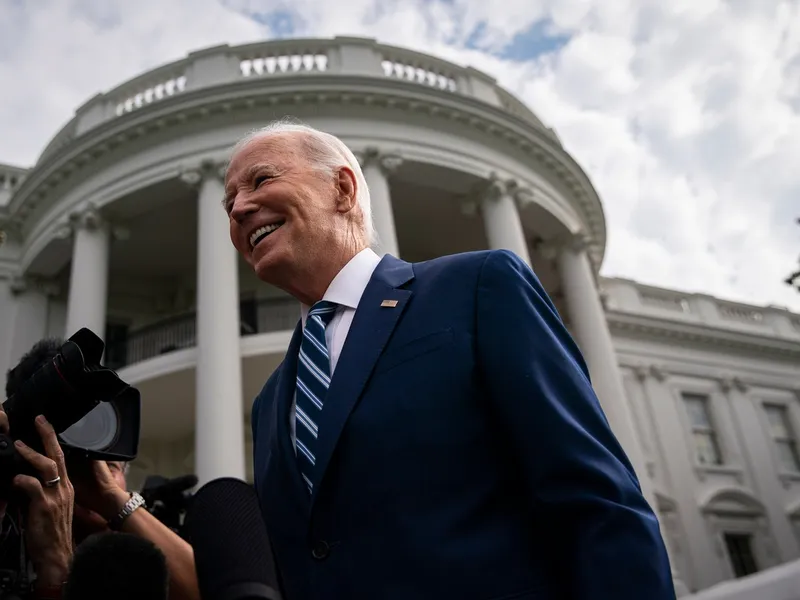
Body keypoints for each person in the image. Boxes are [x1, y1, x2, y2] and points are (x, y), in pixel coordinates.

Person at [228, 120, 676, 600]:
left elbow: (595, 499)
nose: (239, 208)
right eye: (228, 202)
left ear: (342, 188)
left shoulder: (476, 287)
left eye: (261, 180)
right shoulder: (271, 400)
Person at [2, 339, 200, 600]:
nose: (94, 474)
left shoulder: (132, 557)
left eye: (110, 466)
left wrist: (113, 501)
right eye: (67, 463)